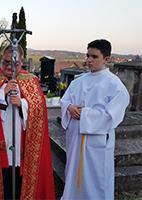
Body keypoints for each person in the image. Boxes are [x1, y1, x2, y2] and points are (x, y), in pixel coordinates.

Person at [0, 45, 56, 199]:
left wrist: (22, 104)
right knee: (2, 179)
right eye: (6, 63)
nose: (10, 68)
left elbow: (39, 108)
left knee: (19, 181)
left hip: (21, 138)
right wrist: (1, 93)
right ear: (1, 60)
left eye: (15, 64)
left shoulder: (31, 80)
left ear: (21, 62)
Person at [60, 39, 130, 200]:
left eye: (94, 56)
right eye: (87, 55)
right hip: (76, 139)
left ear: (106, 59)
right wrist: (69, 107)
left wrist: (84, 114)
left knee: (97, 181)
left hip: (96, 142)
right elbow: (65, 101)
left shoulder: (115, 86)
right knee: (73, 178)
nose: (89, 60)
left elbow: (112, 116)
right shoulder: (79, 81)